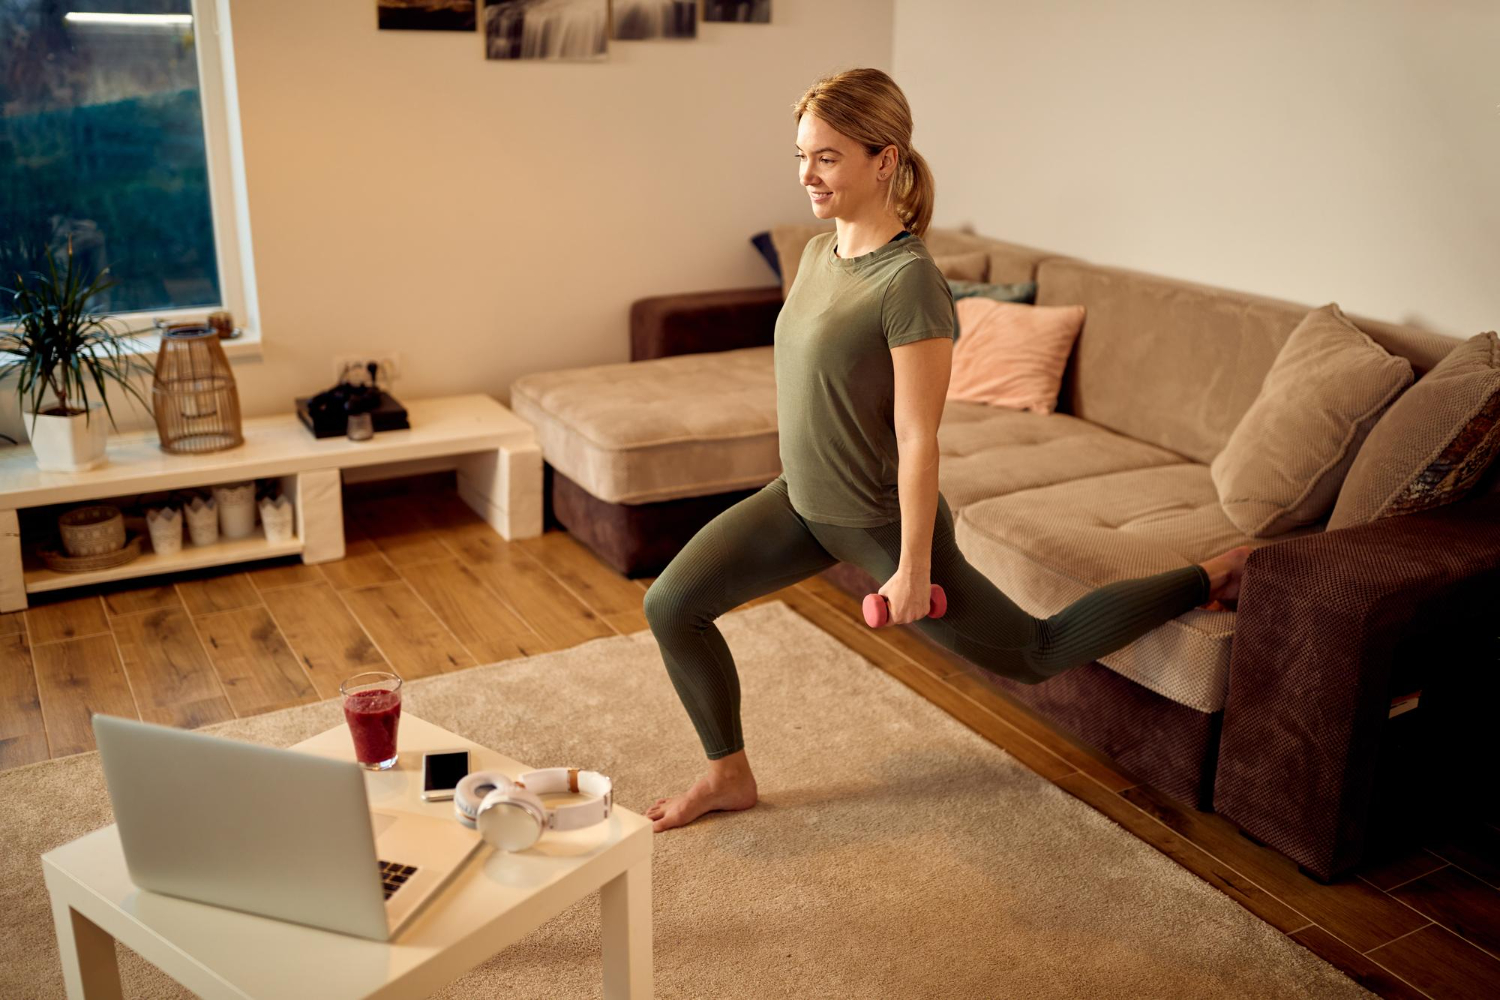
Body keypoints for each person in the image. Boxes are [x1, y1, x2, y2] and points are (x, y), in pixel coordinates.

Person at [642, 68, 1250, 834]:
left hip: (879, 523)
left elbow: (918, 435)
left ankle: (1209, 575)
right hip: (800, 501)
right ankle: (728, 775)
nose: (807, 174)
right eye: (802, 155)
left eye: (828, 157)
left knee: (1034, 650)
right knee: (671, 604)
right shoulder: (820, 256)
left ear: (884, 160)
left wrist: (914, 565)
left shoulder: (911, 283)